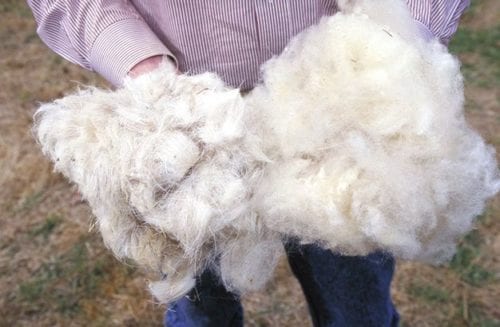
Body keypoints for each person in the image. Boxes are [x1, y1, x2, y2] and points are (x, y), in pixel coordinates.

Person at [27, 1, 470, 326]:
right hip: (186, 129)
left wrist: (390, 44)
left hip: (341, 110)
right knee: (200, 306)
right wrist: (143, 70)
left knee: (356, 302)